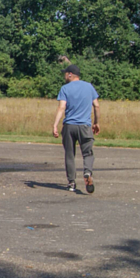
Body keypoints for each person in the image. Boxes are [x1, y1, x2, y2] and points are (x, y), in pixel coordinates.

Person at [52, 64, 100, 193]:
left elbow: (61, 107)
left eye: (65, 74)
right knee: (88, 153)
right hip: (85, 126)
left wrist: (55, 124)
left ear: (70, 74)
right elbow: (96, 105)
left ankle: (71, 182)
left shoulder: (65, 89)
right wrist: (96, 122)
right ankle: (87, 172)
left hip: (69, 126)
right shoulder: (89, 87)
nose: (64, 76)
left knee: (69, 154)